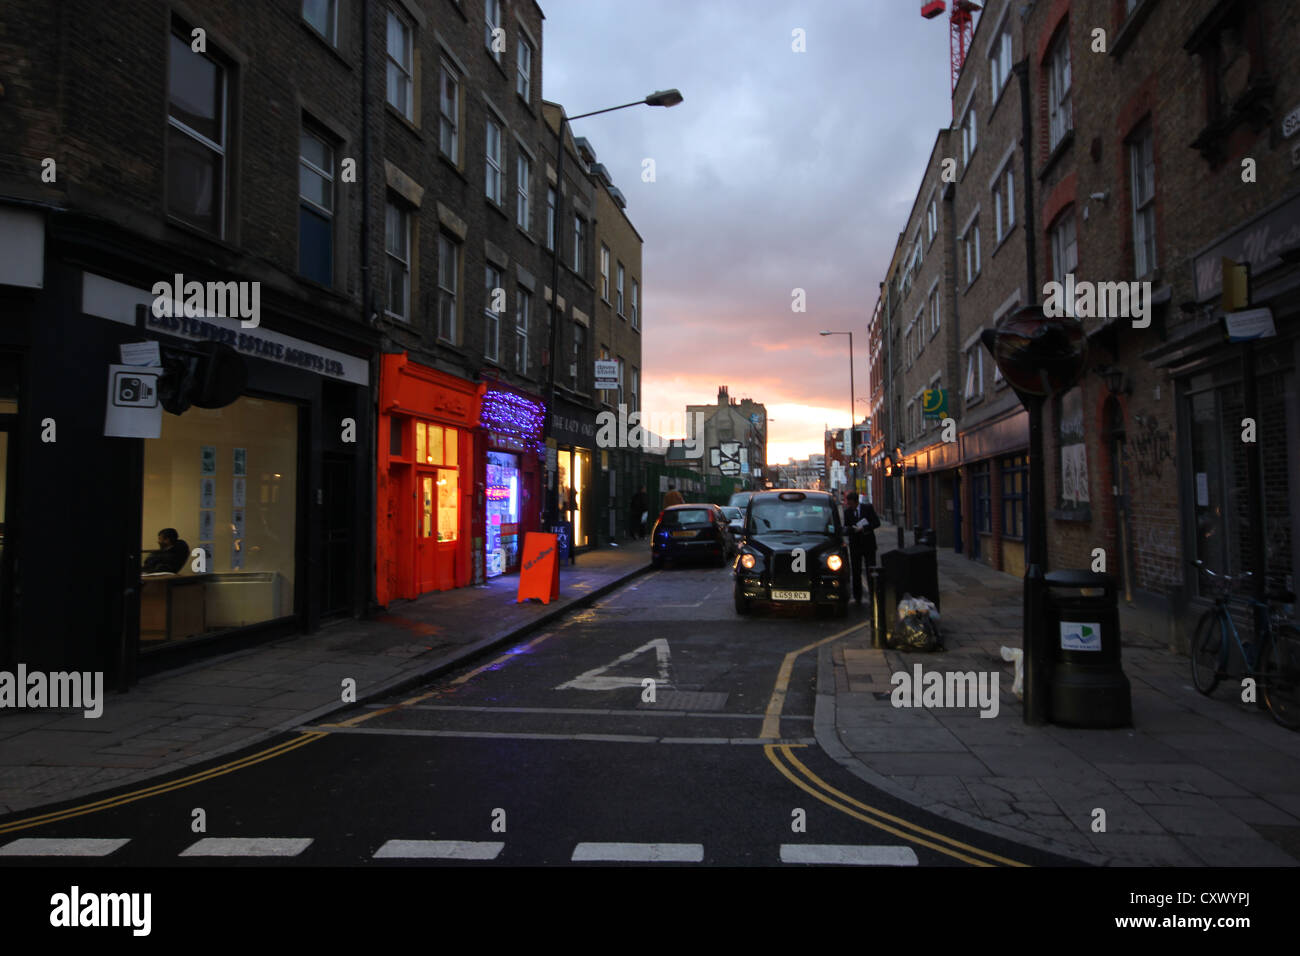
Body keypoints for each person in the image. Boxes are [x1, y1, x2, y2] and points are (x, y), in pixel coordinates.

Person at [843, 492, 881, 604]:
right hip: (855, 546)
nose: (849, 505)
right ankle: (857, 597)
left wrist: (864, 528)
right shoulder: (847, 512)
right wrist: (851, 530)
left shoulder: (868, 508)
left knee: (871, 570)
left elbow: (876, 523)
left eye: (850, 503)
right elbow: (847, 527)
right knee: (856, 572)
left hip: (868, 545)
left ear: (856, 502)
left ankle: (873, 593)